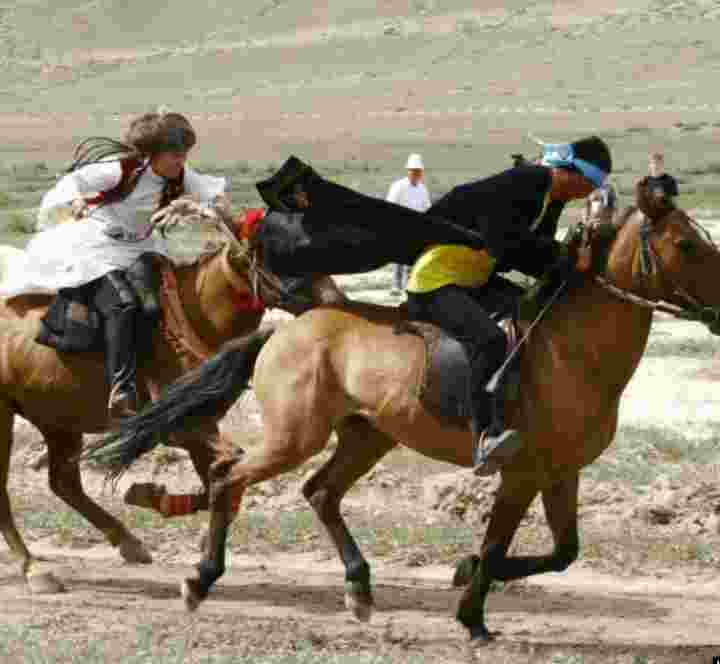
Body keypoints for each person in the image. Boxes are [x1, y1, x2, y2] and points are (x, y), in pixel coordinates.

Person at [254, 136, 611, 476]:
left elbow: (533, 255)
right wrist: (564, 258)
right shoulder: (528, 181)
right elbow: (508, 244)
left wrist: (567, 263)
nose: (586, 193)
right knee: (489, 340)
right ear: (571, 171)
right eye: (587, 184)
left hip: (470, 277)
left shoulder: (551, 197)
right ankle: (485, 434)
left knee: (528, 314)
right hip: (437, 283)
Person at [0, 111, 229, 420]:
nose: (181, 161)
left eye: (185, 154)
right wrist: (77, 201)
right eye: (175, 154)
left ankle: (162, 376)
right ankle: (121, 390)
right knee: (123, 303)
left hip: (141, 247)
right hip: (96, 246)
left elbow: (216, 196)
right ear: (152, 154)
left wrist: (200, 207)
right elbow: (72, 182)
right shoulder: (120, 170)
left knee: (159, 303)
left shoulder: (181, 175)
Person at [385, 154, 431, 295]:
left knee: (411, 259)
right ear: (408, 171)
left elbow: (427, 208)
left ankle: (408, 286)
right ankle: (396, 286)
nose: (416, 174)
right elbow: (390, 205)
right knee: (399, 258)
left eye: (418, 171)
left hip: (416, 228)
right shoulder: (398, 186)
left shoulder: (422, 189)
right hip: (400, 226)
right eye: (413, 171)